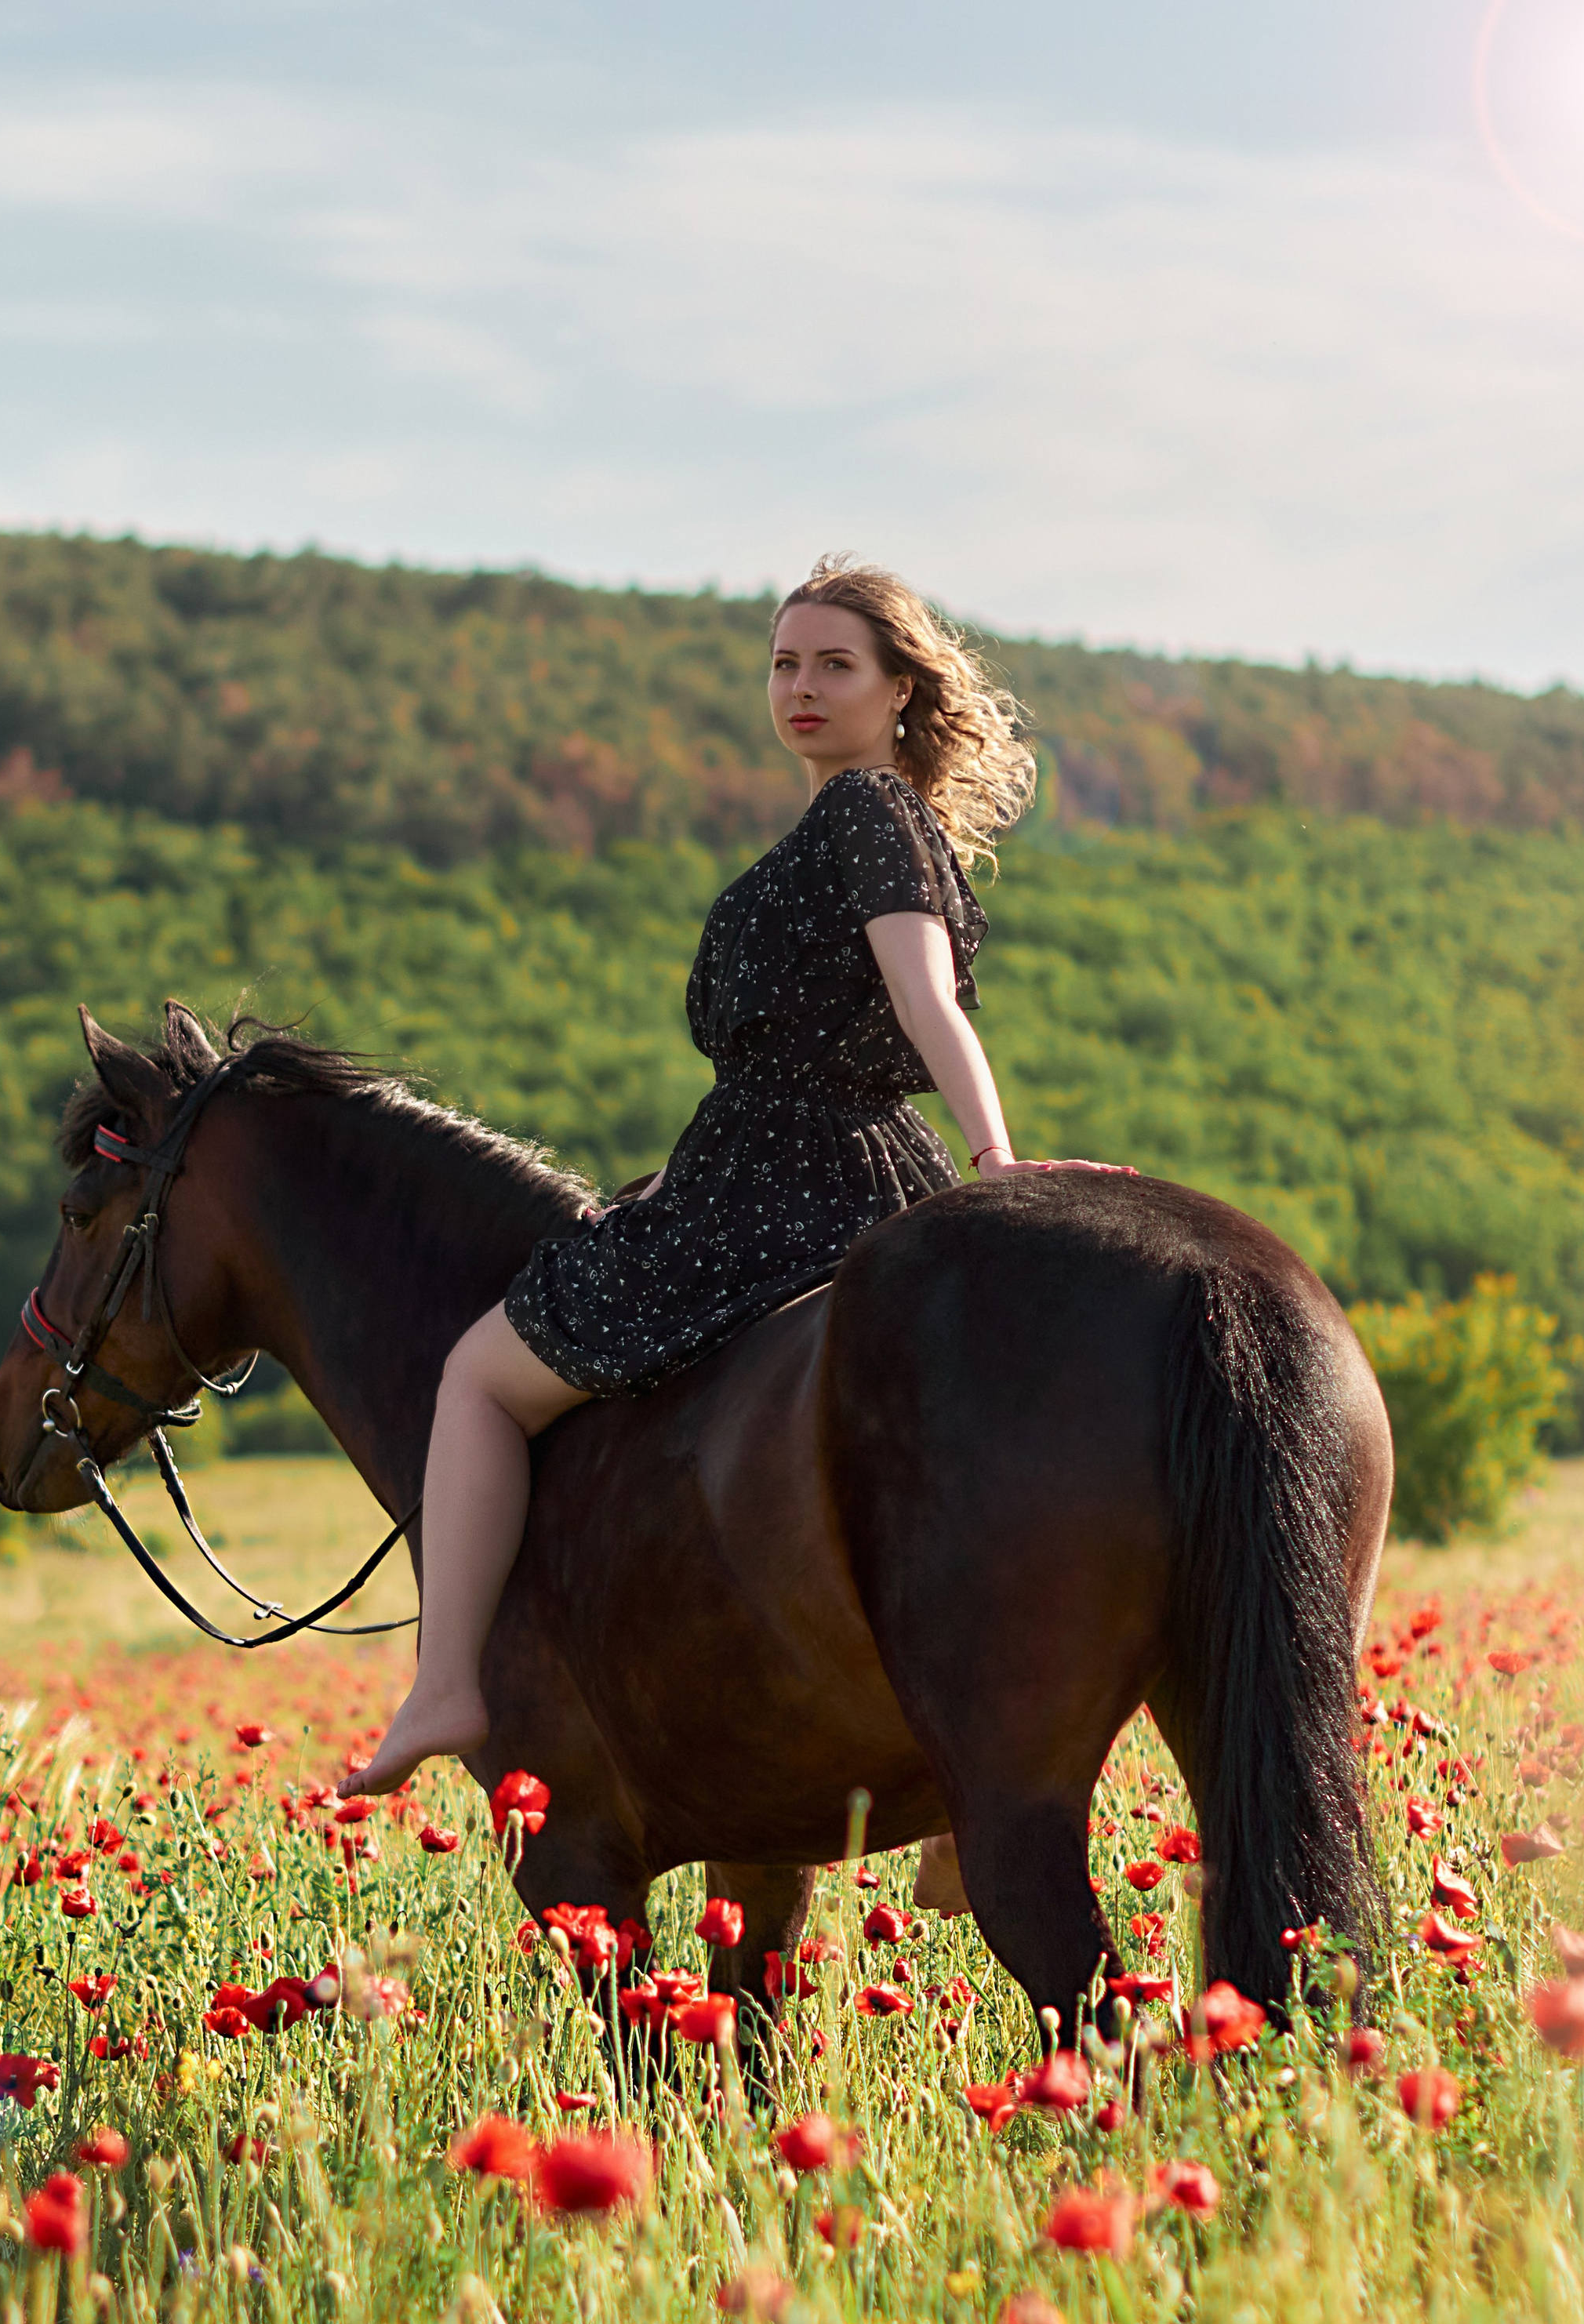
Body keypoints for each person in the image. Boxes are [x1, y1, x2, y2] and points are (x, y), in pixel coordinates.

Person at [339, 554, 1119, 1799]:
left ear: (899, 690)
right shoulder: (860, 822)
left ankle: (446, 1684)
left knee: (477, 1377)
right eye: (784, 663)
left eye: (834, 665)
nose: (801, 687)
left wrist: (1001, 1163)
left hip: (791, 1188)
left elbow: (926, 1005)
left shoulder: (865, 814)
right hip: (815, 1172)